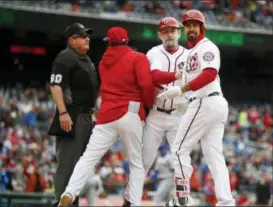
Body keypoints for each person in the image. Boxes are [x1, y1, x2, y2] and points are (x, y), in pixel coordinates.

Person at [58, 26, 155, 207]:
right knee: (136, 163)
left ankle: (69, 192)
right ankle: (134, 203)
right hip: (130, 113)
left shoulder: (103, 62)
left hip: (106, 115)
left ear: (109, 42)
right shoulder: (138, 58)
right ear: (126, 41)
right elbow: (146, 86)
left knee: (88, 158)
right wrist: (148, 107)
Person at [158, 10, 235, 206]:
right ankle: (226, 202)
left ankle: (182, 199)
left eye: (195, 24)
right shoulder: (192, 52)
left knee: (177, 149)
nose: (191, 28)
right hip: (209, 103)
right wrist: (176, 92)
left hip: (205, 102)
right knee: (213, 156)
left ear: (202, 27)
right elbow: (187, 85)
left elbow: (209, 74)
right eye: (188, 25)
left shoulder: (207, 47)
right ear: (184, 29)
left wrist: (181, 89)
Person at [49, 23, 99, 206]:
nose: (87, 38)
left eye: (87, 35)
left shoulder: (84, 59)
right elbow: (55, 85)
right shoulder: (65, 57)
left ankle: (72, 201)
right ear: (71, 40)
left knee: (80, 166)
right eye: (82, 35)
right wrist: (62, 112)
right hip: (71, 115)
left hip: (85, 116)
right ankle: (59, 203)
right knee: (67, 164)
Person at [141, 17, 189, 174]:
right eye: (165, 31)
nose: (169, 34)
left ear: (179, 33)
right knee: (144, 161)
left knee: (181, 162)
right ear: (160, 35)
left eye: (172, 30)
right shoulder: (154, 52)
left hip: (178, 115)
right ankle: (131, 198)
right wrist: (175, 76)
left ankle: (182, 198)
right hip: (156, 115)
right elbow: (155, 75)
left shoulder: (189, 56)